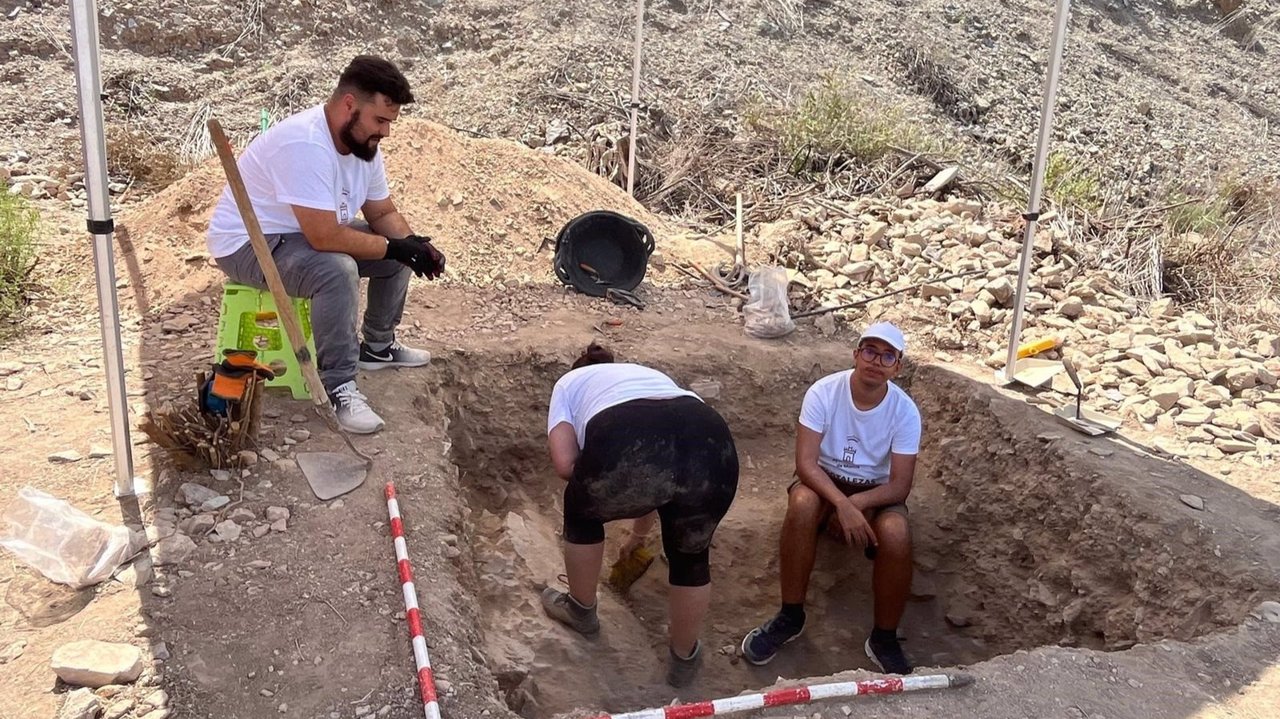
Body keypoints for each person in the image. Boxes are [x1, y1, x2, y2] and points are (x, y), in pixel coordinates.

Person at [206, 55, 444, 434]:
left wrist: (414, 247)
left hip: (301, 233)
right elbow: (325, 238)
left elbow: (382, 212)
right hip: (249, 242)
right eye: (380, 120)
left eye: (389, 122)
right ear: (349, 104)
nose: (385, 132)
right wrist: (394, 246)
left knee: (399, 248)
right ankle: (339, 385)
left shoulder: (364, 147)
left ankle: (378, 348)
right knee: (337, 269)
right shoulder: (306, 143)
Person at [541, 343, 739, 688]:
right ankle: (684, 659)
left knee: (582, 510)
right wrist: (637, 536)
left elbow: (564, 465)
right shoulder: (649, 376)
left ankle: (581, 610)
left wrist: (601, 481)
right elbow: (663, 470)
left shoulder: (568, 384)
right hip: (710, 439)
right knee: (690, 555)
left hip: (627, 434)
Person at [739, 322, 922, 675]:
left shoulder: (905, 412)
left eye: (887, 356)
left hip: (877, 491)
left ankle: (883, 637)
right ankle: (790, 616)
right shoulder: (823, 392)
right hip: (824, 481)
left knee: (897, 533)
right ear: (855, 354)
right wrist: (841, 504)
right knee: (803, 503)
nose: (876, 361)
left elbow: (900, 486)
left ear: (897, 367)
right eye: (869, 350)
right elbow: (806, 464)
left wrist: (859, 504)